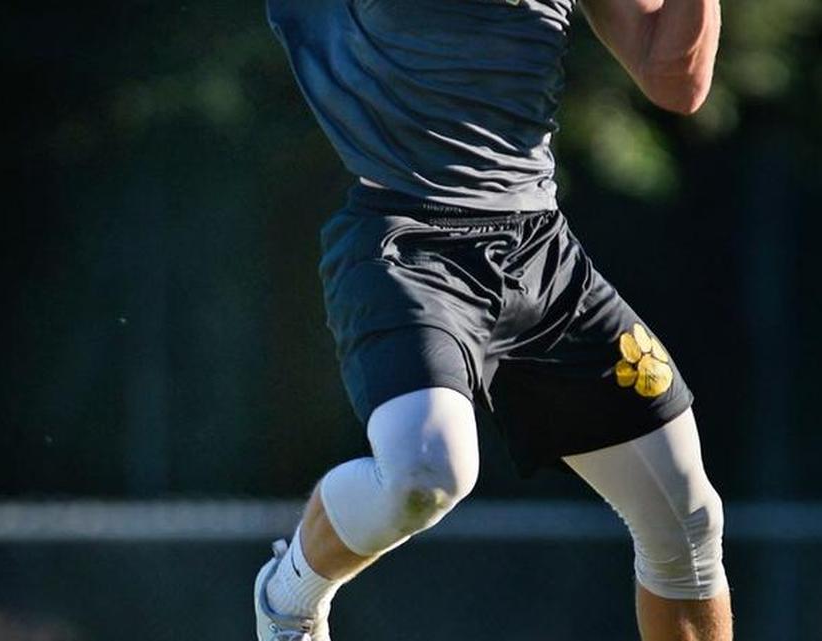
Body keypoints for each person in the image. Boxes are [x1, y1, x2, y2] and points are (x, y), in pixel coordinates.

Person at [255, 0, 729, 638]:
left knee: (685, 519)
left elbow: (674, 80)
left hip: (541, 251)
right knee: (426, 473)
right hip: (409, 242)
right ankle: (289, 598)